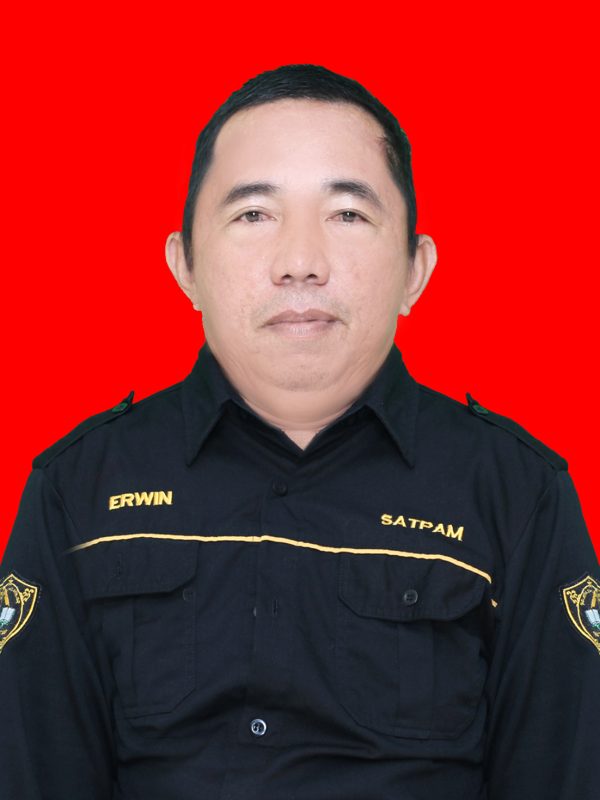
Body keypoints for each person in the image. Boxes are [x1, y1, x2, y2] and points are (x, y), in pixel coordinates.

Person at [0, 63, 597, 800]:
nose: (301, 264)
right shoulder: (78, 488)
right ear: (185, 266)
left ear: (415, 269)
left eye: (347, 214)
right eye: (254, 214)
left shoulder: (518, 492)